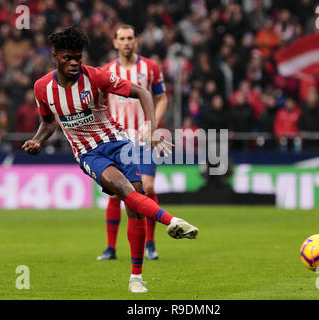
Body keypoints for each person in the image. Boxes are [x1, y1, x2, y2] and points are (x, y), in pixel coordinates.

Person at [22, 26, 198, 293]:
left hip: (118, 142)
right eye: (68, 57)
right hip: (88, 153)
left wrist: (150, 127)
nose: (74, 62)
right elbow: (48, 123)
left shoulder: (96, 77)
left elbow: (143, 92)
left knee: (135, 207)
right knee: (125, 191)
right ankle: (171, 221)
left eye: (78, 56)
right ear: (55, 55)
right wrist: (37, 139)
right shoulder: (42, 88)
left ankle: (136, 277)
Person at [98, 24, 168, 261]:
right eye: (122, 39)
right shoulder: (106, 72)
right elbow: (99, 105)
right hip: (118, 141)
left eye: (130, 38)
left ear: (136, 41)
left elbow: (161, 98)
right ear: (115, 42)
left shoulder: (150, 68)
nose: (126, 42)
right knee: (116, 193)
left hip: (143, 138)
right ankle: (110, 248)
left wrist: (153, 125)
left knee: (146, 188)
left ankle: (150, 243)